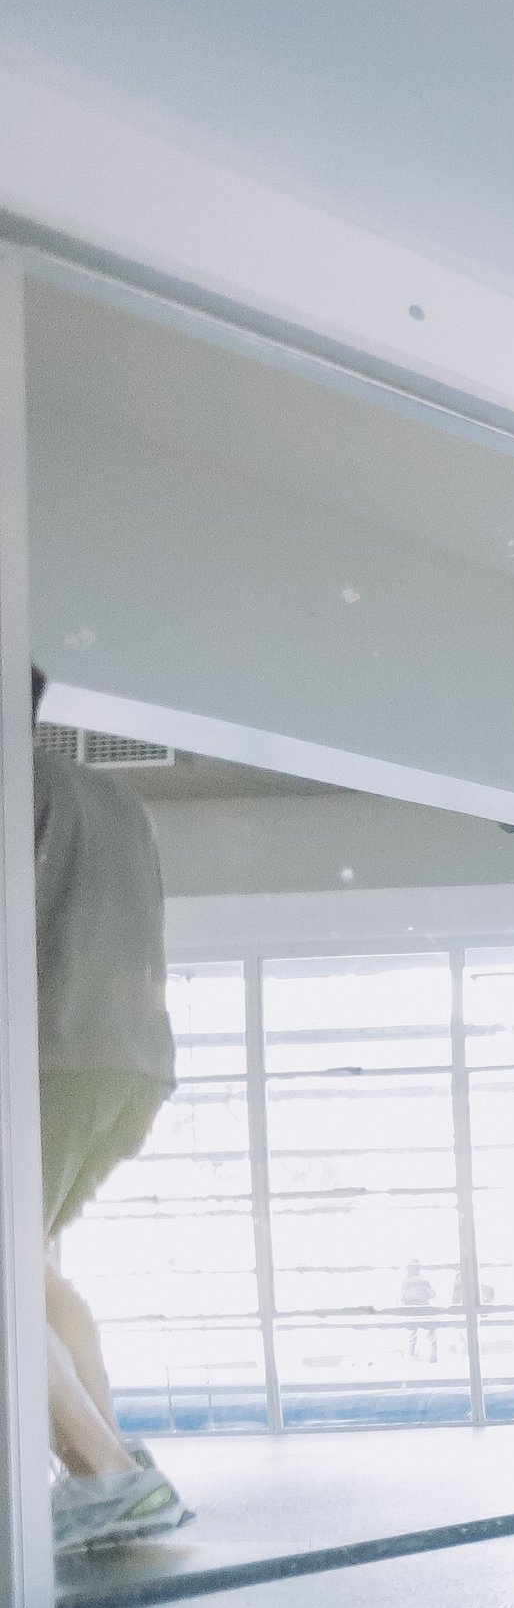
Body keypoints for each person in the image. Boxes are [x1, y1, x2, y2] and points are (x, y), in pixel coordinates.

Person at [31, 666, 191, 1554]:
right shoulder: (114, 798)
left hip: (50, 1053)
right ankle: (115, 1466)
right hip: (129, 1065)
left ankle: (105, 1478)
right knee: (31, 1270)